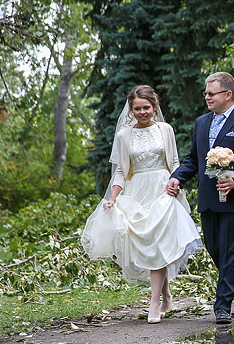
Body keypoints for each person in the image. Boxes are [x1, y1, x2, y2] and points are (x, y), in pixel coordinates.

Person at [81, 85, 202, 323]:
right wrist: (113, 197)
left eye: (146, 107)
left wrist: (176, 182)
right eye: (137, 108)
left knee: (159, 245)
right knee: (147, 246)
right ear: (131, 110)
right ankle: (165, 293)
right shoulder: (123, 136)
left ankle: (154, 302)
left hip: (163, 190)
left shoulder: (166, 130)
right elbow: (120, 171)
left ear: (154, 107)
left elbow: (175, 161)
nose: (142, 112)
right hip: (137, 193)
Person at [166, 72, 234, 325]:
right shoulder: (201, 123)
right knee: (215, 249)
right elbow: (193, 159)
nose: (207, 97)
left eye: (212, 93)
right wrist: (178, 177)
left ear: (228, 95)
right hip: (209, 198)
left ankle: (222, 305)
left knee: (231, 252)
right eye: (206, 93)